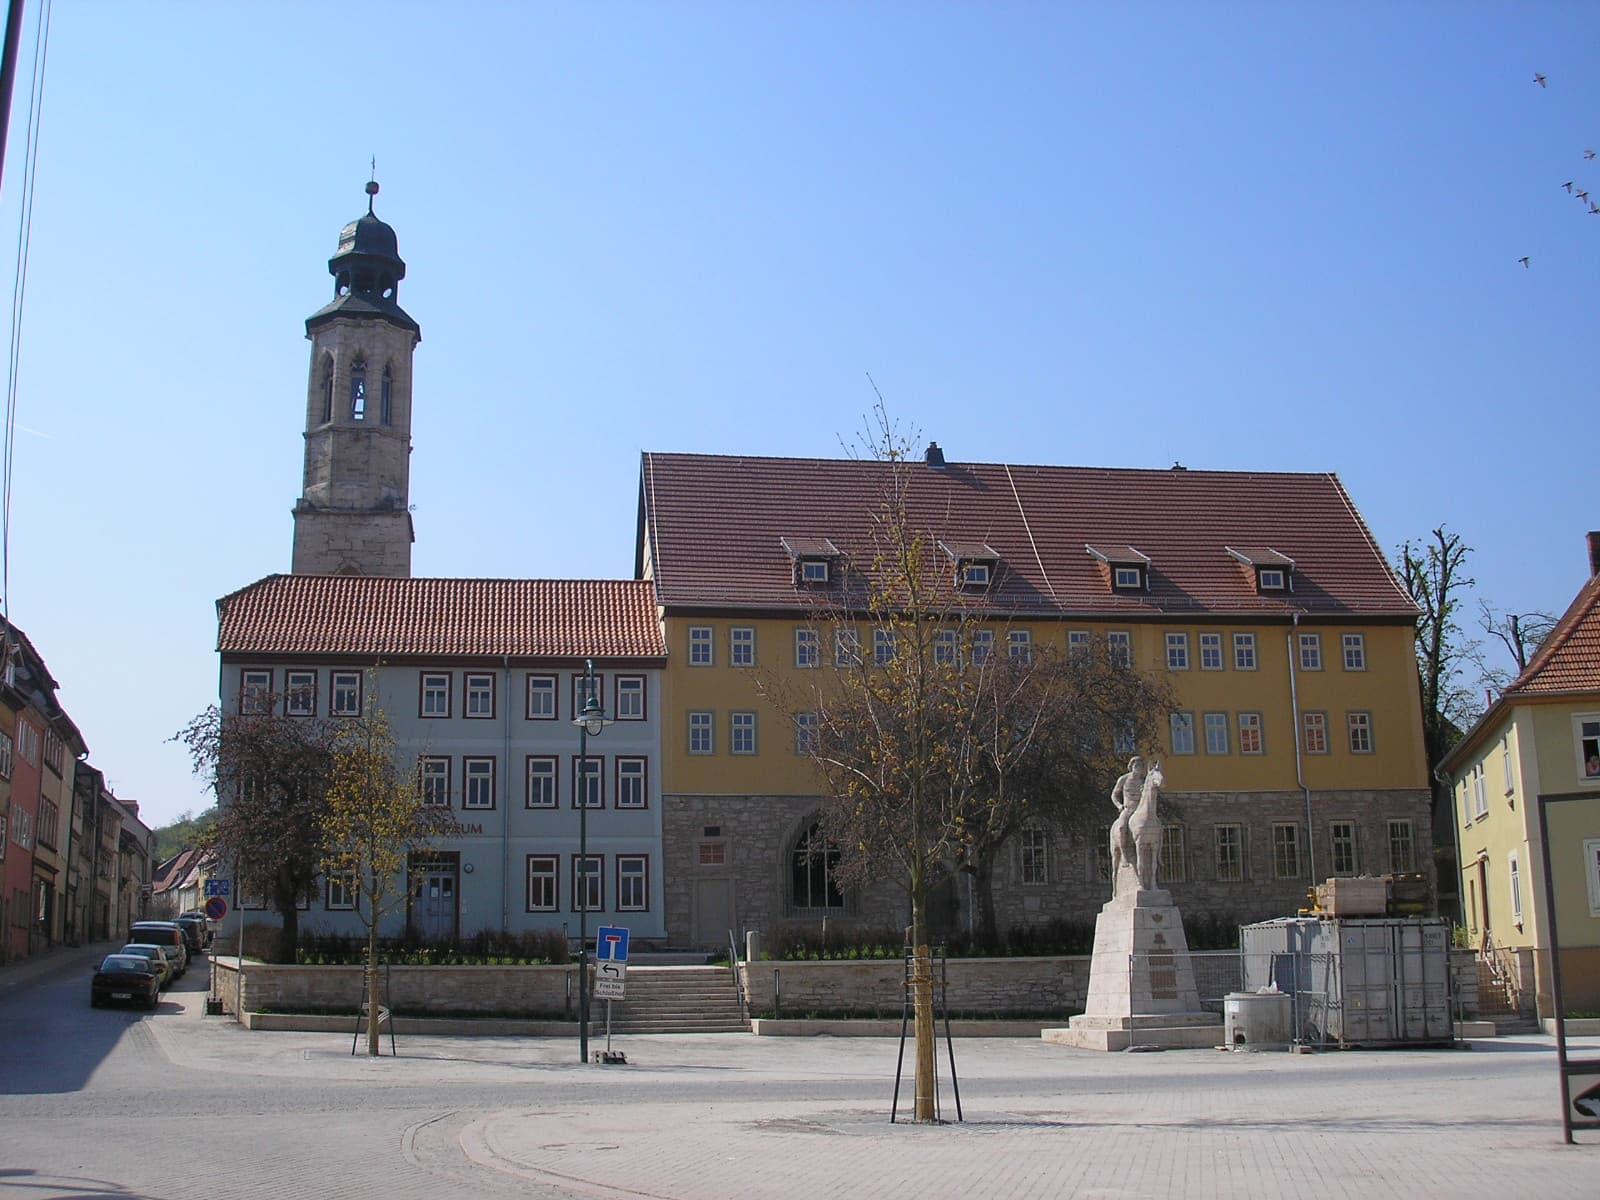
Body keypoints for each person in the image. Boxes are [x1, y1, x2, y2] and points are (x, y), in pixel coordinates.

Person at [1108, 756, 1145, 892]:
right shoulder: (1123, 779)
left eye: (1141, 765)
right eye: (1137, 765)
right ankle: (1124, 854)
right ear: (1132, 766)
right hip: (1128, 809)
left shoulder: (1143, 780)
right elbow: (1114, 794)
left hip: (1140, 810)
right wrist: (1119, 805)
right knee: (1122, 826)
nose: (1139, 767)